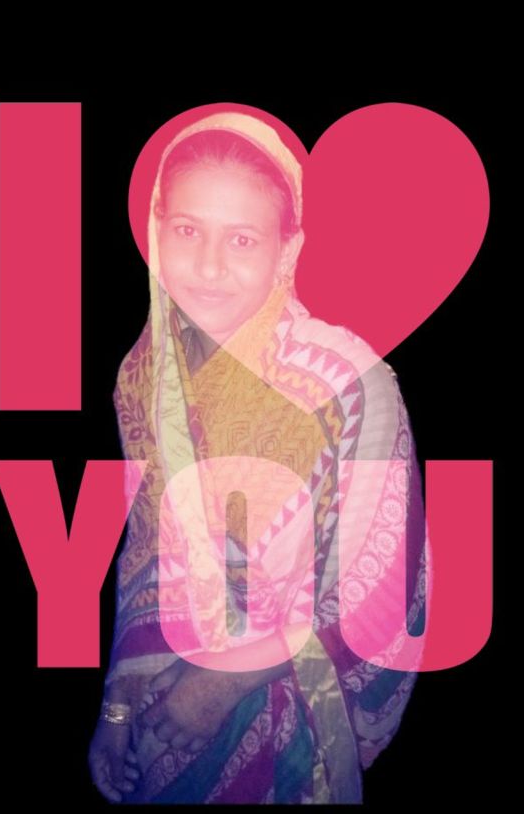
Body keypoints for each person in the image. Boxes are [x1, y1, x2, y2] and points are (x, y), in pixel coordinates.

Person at [88, 110, 429, 804]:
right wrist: (117, 707)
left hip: (290, 738)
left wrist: (225, 681)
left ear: (287, 250)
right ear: (156, 230)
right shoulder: (144, 377)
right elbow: (146, 552)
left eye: (242, 238)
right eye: (188, 230)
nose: (209, 265)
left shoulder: (348, 386)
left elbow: (382, 592)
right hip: (162, 724)